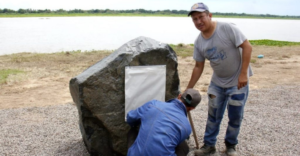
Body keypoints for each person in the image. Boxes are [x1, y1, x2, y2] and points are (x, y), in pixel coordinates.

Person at [186, 2, 253, 156]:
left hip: (238, 82)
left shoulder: (227, 28)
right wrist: (188, 89)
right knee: (213, 116)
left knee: (235, 116)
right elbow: (198, 66)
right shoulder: (199, 42)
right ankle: (209, 146)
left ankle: (230, 145)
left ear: (209, 15)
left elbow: (247, 47)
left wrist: (244, 74)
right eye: (195, 19)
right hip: (217, 84)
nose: (198, 22)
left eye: (201, 17)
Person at [126, 89, 201, 156]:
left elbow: (130, 118)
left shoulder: (153, 104)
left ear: (179, 96)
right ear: (192, 108)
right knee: (183, 146)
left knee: (132, 129)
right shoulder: (186, 127)